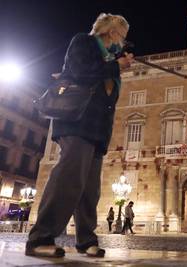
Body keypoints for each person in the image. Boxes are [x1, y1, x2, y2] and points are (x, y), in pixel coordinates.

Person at [25, 13, 134, 258]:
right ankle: (40, 237)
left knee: (90, 188)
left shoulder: (109, 57)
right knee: (69, 178)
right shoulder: (83, 42)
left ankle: (86, 240)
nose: (122, 42)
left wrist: (116, 65)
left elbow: (107, 98)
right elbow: (80, 72)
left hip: (97, 130)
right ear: (109, 31)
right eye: (121, 36)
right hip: (76, 122)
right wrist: (115, 65)